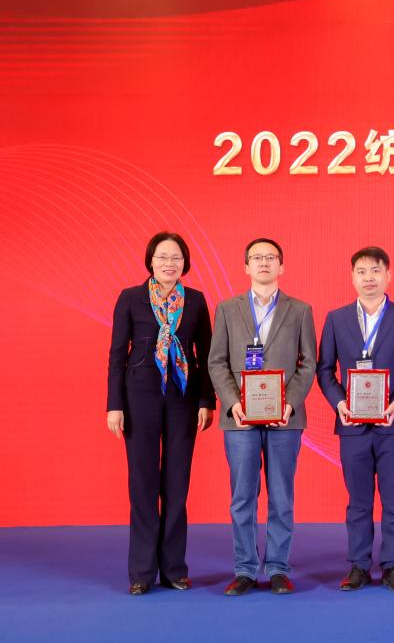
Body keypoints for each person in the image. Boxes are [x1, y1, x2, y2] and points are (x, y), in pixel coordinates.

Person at [106, 232, 215, 595]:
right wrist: (114, 405)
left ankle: (173, 569)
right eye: (163, 257)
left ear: (185, 263)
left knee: (176, 484)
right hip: (140, 397)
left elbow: (207, 355)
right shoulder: (130, 297)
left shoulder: (196, 300)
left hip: (183, 398)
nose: (170, 263)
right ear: (150, 261)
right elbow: (116, 355)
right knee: (142, 485)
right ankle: (141, 572)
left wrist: (206, 401)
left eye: (176, 258)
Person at [208, 238, 316, 596]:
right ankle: (245, 569)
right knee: (242, 496)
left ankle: (278, 568)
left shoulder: (300, 310)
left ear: (281, 266)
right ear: (246, 266)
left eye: (271, 257)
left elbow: (308, 363)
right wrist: (232, 402)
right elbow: (216, 362)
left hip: (285, 418)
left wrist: (291, 403)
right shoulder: (227, 308)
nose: (264, 263)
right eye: (257, 258)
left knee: (281, 496)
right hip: (240, 418)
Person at [316, 246, 394, 591]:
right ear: (352, 277)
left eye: (376, 271)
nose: (369, 278)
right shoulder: (336, 319)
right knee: (358, 501)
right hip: (352, 425)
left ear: (388, 276)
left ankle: (393, 565)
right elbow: (324, 370)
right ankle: (359, 566)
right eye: (361, 272)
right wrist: (340, 404)